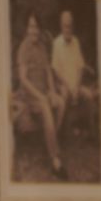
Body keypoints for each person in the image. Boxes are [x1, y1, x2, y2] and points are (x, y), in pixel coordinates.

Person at [15, 12, 64, 175]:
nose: (33, 30)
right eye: (31, 26)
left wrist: (52, 91)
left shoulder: (42, 47)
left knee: (61, 102)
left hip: (43, 92)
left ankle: (49, 140)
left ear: (40, 29)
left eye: (36, 27)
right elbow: (23, 79)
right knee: (45, 107)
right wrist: (40, 96)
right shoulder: (24, 48)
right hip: (30, 97)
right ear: (27, 28)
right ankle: (55, 159)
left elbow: (48, 72)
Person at [50, 10, 96, 137]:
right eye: (65, 25)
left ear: (73, 26)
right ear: (61, 26)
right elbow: (55, 71)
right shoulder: (56, 43)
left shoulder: (76, 42)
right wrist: (68, 86)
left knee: (89, 95)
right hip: (63, 85)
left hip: (76, 84)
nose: (68, 29)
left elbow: (81, 67)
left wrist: (76, 85)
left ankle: (92, 132)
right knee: (65, 95)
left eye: (70, 25)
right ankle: (62, 134)